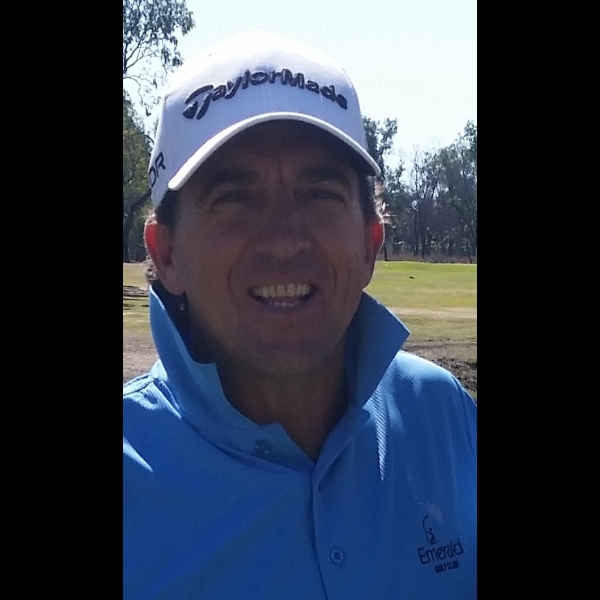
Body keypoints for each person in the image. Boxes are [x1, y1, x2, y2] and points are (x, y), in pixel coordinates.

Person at [123, 30, 476, 600]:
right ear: (166, 254)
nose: (285, 240)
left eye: (321, 194)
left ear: (370, 243)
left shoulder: (442, 415)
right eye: (235, 197)